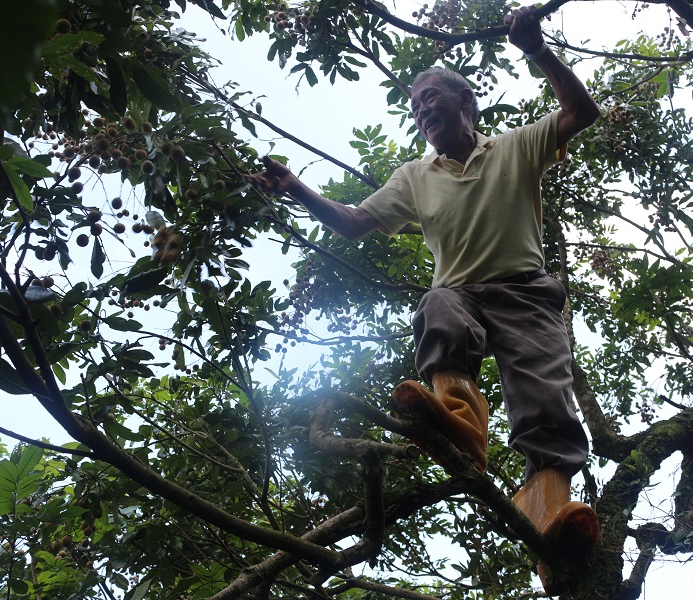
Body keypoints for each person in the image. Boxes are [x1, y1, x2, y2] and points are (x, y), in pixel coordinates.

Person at [246, 6, 600, 595]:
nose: (423, 110)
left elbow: (580, 113)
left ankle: (551, 514)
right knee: (438, 308)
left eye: (432, 97)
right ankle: (462, 423)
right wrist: (298, 190)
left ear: (467, 104)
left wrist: (538, 50)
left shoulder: (515, 146)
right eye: (416, 106)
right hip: (460, 291)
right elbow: (355, 221)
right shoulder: (416, 174)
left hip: (526, 293)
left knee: (545, 400)